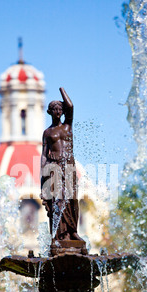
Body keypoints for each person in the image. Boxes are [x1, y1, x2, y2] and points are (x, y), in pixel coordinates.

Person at [40, 87, 83, 242]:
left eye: (60, 109)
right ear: (49, 112)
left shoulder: (67, 126)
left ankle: (73, 231)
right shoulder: (47, 133)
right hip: (54, 166)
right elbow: (44, 155)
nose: (58, 112)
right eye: (54, 109)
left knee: (72, 198)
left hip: (69, 165)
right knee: (57, 199)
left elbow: (71, 106)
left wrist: (61, 90)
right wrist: (43, 177)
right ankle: (59, 235)